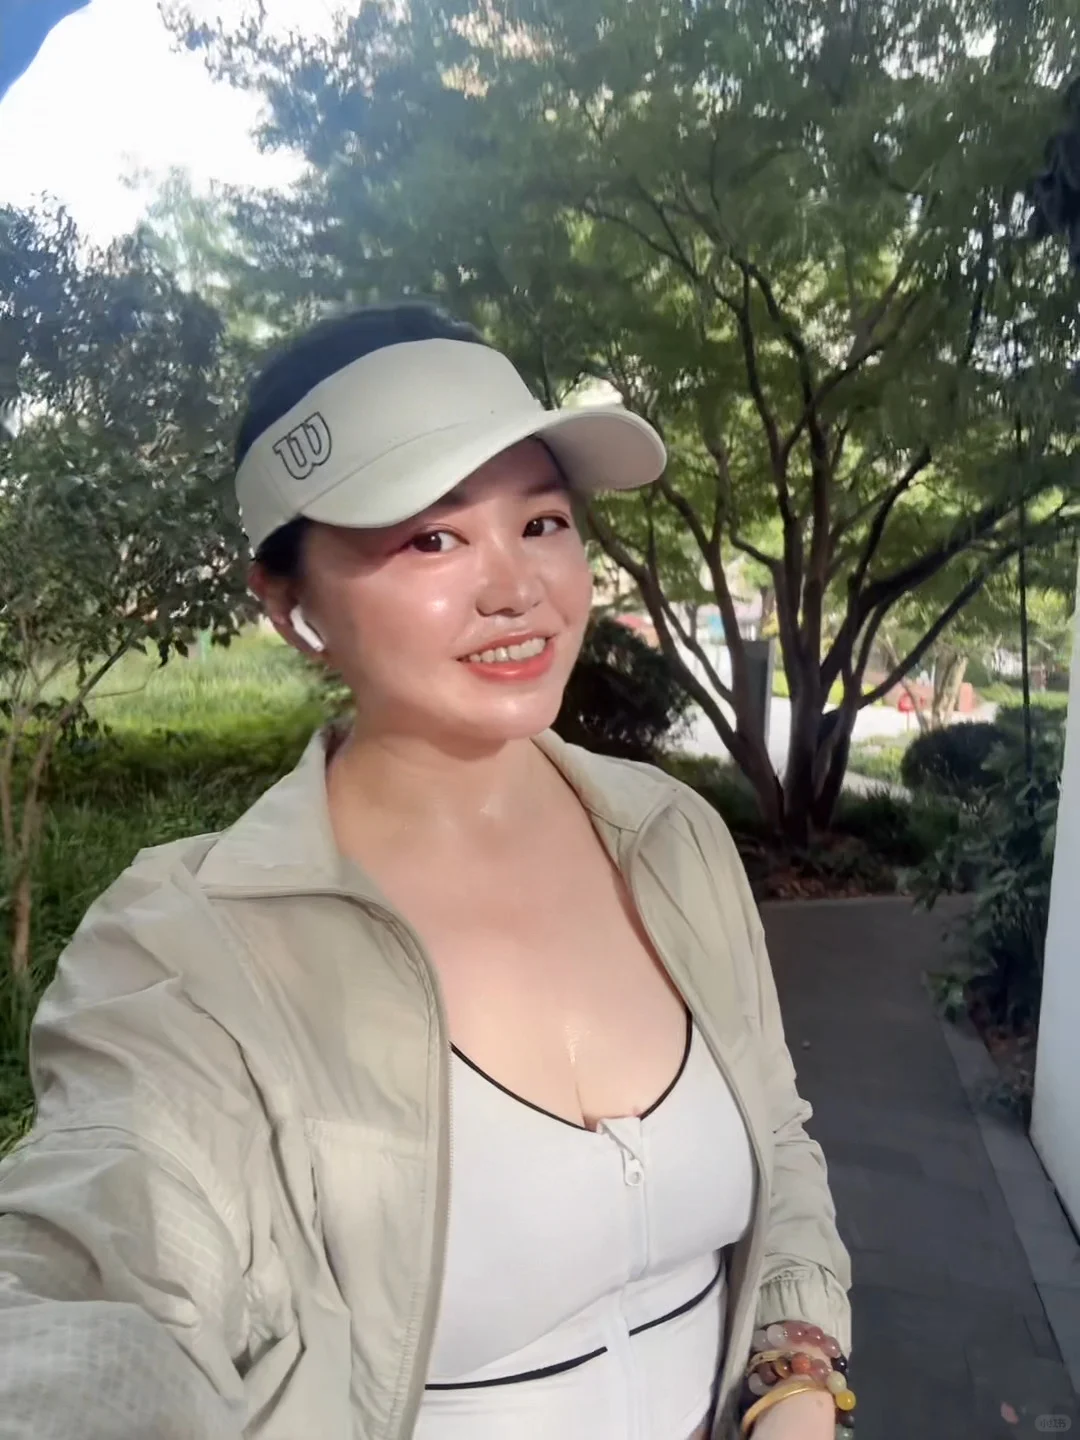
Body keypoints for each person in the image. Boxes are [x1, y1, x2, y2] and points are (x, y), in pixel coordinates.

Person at [0, 302, 852, 1440]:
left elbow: (778, 1134)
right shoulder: (191, 949)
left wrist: (795, 1380)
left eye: (541, 521)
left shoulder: (671, 836)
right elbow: (98, 1277)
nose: (517, 589)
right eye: (430, 540)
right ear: (291, 605)